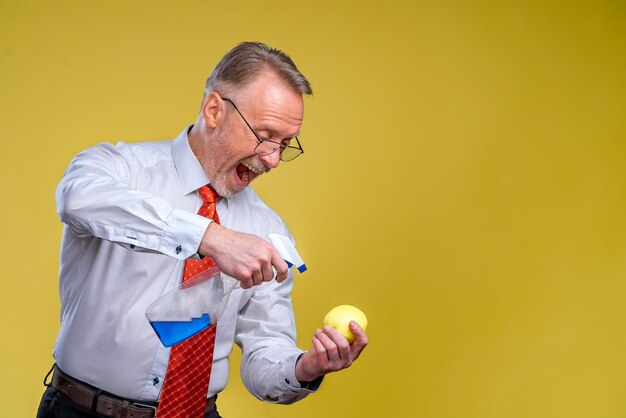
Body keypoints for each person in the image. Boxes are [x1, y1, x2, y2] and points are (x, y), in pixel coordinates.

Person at [37, 42, 368, 418]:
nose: (274, 159)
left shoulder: (268, 230)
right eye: (264, 135)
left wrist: (304, 368)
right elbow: (76, 199)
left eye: (285, 144)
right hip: (82, 411)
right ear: (214, 111)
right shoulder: (120, 167)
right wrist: (209, 237)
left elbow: (264, 352)